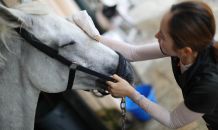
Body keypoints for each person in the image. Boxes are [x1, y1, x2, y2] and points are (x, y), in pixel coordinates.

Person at [66, 1, 218, 129]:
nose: (156, 36)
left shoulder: (208, 85)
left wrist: (131, 93)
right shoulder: (192, 47)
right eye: (160, 30)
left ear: (185, 51)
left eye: (163, 36)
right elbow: (133, 52)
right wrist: (92, 38)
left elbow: (173, 121)